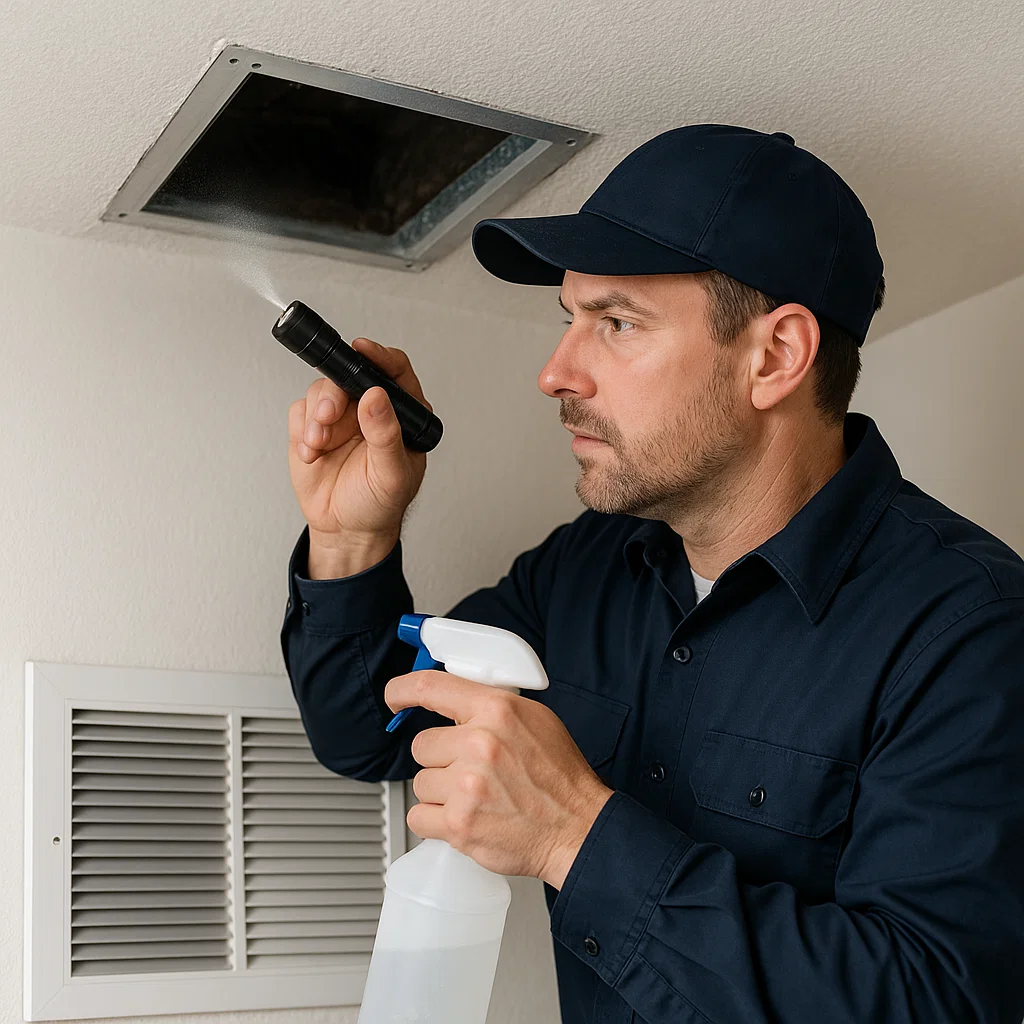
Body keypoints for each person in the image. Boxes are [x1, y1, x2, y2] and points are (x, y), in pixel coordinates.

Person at [280, 124, 1024, 1023]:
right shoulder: (587, 571)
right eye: (570, 323)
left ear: (776, 356)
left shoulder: (971, 629)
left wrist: (574, 835)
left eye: (617, 324)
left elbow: (935, 1001)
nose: (557, 373)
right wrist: (352, 535)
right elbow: (374, 731)